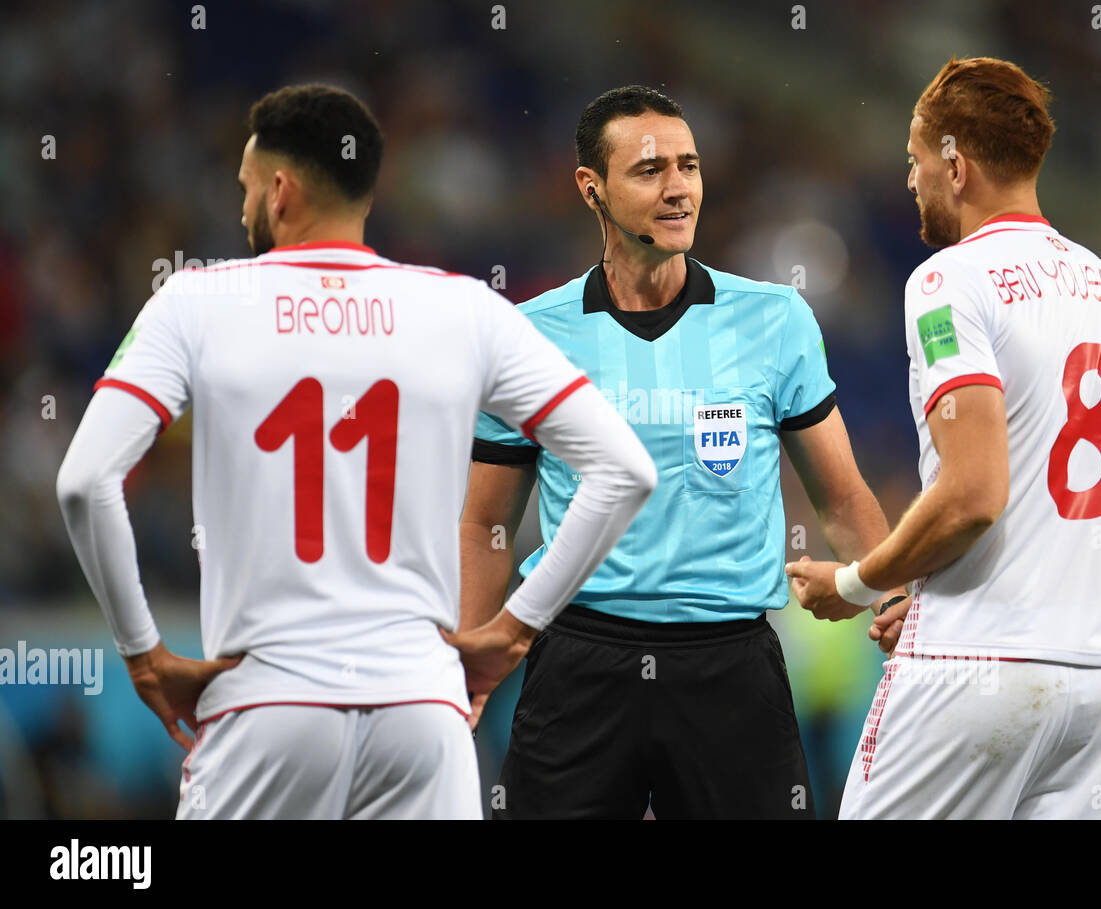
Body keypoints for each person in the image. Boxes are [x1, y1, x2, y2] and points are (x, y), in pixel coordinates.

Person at [55, 83, 656, 820]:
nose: (244, 208)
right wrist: (514, 627)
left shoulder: (193, 301)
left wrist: (143, 652)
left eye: (246, 188)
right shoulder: (463, 308)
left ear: (277, 191)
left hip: (267, 702)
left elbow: (85, 482)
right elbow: (625, 470)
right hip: (424, 712)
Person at [461, 85, 903, 820]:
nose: (677, 188)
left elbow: (844, 495)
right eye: (649, 170)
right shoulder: (528, 333)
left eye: (688, 166)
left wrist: (894, 602)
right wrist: (469, 662)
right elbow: (483, 523)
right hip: (579, 664)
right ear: (591, 188)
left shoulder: (775, 318)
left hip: (731, 670)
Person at [787, 56, 1101, 819]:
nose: (912, 179)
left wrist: (857, 581)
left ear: (956, 162)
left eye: (917, 159)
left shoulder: (949, 280)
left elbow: (972, 495)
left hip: (975, 670)